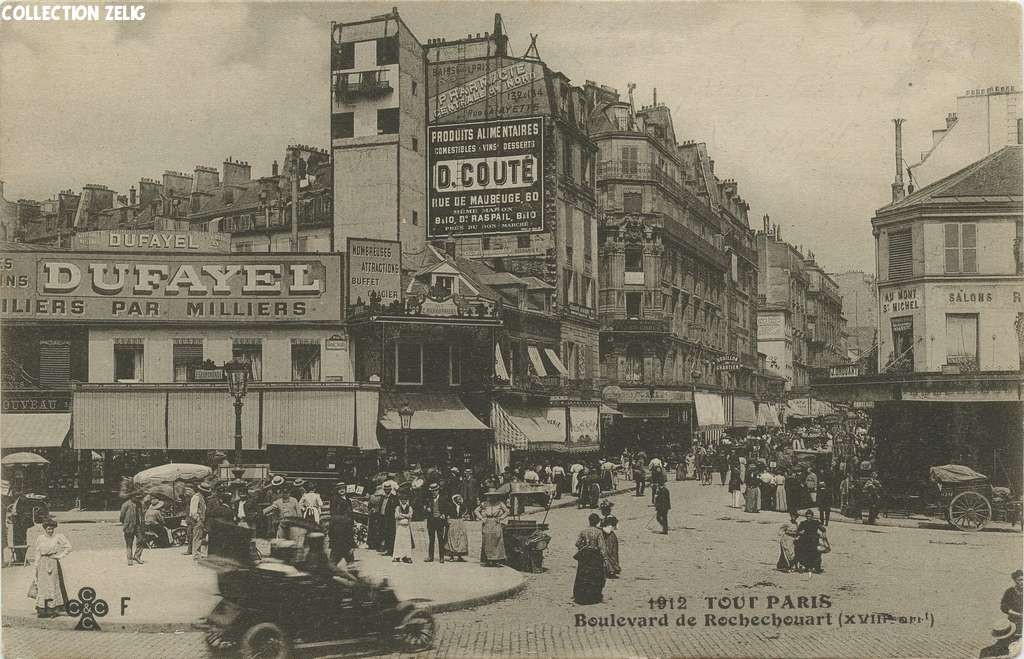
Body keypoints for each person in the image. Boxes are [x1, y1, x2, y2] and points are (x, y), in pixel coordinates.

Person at [28, 517, 71, 617]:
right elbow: (37, 553)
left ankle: (54, 609)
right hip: (42, 563)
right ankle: (43, 610)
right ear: (45, 529)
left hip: (53, 562)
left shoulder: (58, 537)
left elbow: (69, 547)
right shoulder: (40, 538)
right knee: (43, 586)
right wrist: (36, 566)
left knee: (53, 585)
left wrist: (59, 556)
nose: (50, 531)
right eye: (48, 529)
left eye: (52, 529)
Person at [573, 513, 608, 604]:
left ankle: (581, 595)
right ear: (597, 522)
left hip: (585, 555)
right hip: (595, 555)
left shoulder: (584, 531)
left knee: (583, 574)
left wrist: (583, 548)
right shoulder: (598, 532)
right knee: (595, 575)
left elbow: (577, 543)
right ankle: (593, 596)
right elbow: (602, 546)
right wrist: (605, 558)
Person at [476, 490, 508, 566]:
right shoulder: (484, 504)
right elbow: (476, 511)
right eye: (490, 496)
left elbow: (507, 511)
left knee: (497, 540)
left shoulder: (500, 503)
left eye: (494, 496)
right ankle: (487, 560)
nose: (492, 497)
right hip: (487, 522)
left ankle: (496, 560)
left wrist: (501, 518)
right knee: (487, 540)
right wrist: (481, 518)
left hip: (496, 522)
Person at [423, 482, 451, 563]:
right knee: (431, 540)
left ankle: (441, 557)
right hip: (431, 522)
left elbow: (448, 509)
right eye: (432, 491)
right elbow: (425, 510)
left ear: (438, 491)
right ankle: (430, 556)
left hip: (440, 522)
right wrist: (427, 510)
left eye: (435, 490)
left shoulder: (443, 499)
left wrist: (444, 515)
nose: (434, 492)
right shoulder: (429, 500)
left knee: (440, 539)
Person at [328, 487, 355, 566]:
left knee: (348, 545)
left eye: (343, 488)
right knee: (337, 547)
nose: (342, 490)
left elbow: (351, 512)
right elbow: (333, 512)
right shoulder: (335, 499)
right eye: (340, 489)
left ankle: (350, 563)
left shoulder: (348, 500)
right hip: (338, 525)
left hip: (347, 525)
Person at [119, 489, 146, 566]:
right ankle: (129, 559)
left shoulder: (139, 504)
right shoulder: (126, 504)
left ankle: (137, 556)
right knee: (129, 544)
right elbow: (122, 516)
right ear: (132, 497)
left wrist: (142, 524)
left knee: (141, 540)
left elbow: (142, 515)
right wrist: (125, 523)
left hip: (138, 526)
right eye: (136, 497)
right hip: (129, 526)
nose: (138, 499)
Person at [185, 482, 209, 558]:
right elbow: (193, 511)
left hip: (202, 520)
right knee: (197, 537)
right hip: (198, 520)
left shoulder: (201, 497)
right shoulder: (196, 497)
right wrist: (198, 519)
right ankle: (196, 554)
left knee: (200, 537)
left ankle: (199, 553)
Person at [391, 491, 415, 564]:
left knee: (407, 542)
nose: (403, 501)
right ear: (400, 500)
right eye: (402, 500)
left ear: (407, 500)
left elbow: (410, 516)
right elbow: (396, 516)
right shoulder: (398, 507)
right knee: (399, 541)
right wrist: (405, 515)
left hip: (406, 527)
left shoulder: (409, 507)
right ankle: (397, 556)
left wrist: (403, 515)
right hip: (400, 527)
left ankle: (407, 557)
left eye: (405, 499)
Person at [445, 494, 470, 561]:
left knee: (461, 539)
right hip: (453, 523)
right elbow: (447, 514)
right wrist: (448, 521)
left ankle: (460, 556)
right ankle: (451, 556)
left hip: (460, 524)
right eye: (458, 499)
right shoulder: (450, 506)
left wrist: (464, 517)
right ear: (455, 500)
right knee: (452, 539)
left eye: (460, 499)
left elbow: (466, 513)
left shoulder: (463, 507)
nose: (460, 500)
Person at [599, 501, 620, 578]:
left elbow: (608, 530)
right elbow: (617, 527)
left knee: (609, 553)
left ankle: (611, 570)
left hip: (609, 537)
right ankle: (612, 568)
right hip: (611, 537)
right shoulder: (610, 518)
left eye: (602, 510)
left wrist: (600, 528)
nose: (601, 512)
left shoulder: (609, 519)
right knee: (611, 553)